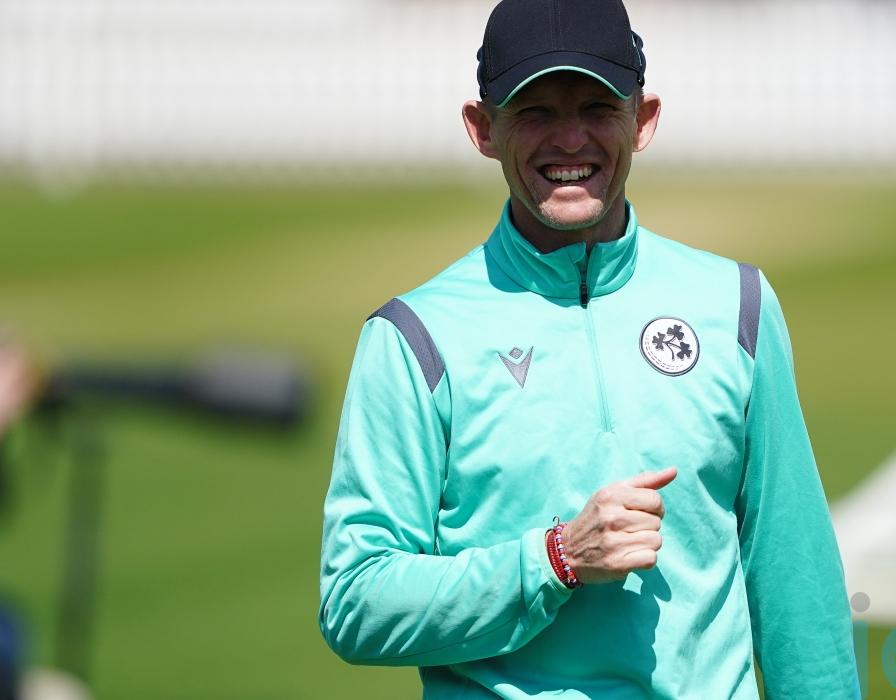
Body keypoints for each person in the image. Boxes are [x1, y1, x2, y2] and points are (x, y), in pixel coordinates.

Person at [318, 0, 860, 697]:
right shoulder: (414, 338)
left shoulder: (738, 304)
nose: (570, 140)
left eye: (598, 108)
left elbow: (795, 578)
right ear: (483, 130)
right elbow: (355, 602)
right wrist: (554, 560)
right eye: (535, 111)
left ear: (644, 120)